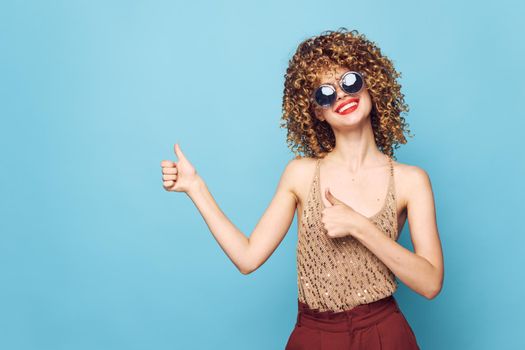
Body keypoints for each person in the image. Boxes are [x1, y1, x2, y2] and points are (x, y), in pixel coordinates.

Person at [160, 27, 443, 350]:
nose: (341, 96)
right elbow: (247, 258)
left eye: (349, 81)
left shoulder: (410, 180)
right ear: (316, 113)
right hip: (315, 335)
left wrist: (360, 227)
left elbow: (431, 283)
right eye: (325, 93)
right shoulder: (300, 175)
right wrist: (196, 187)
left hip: (384, 332)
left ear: (371, 84)